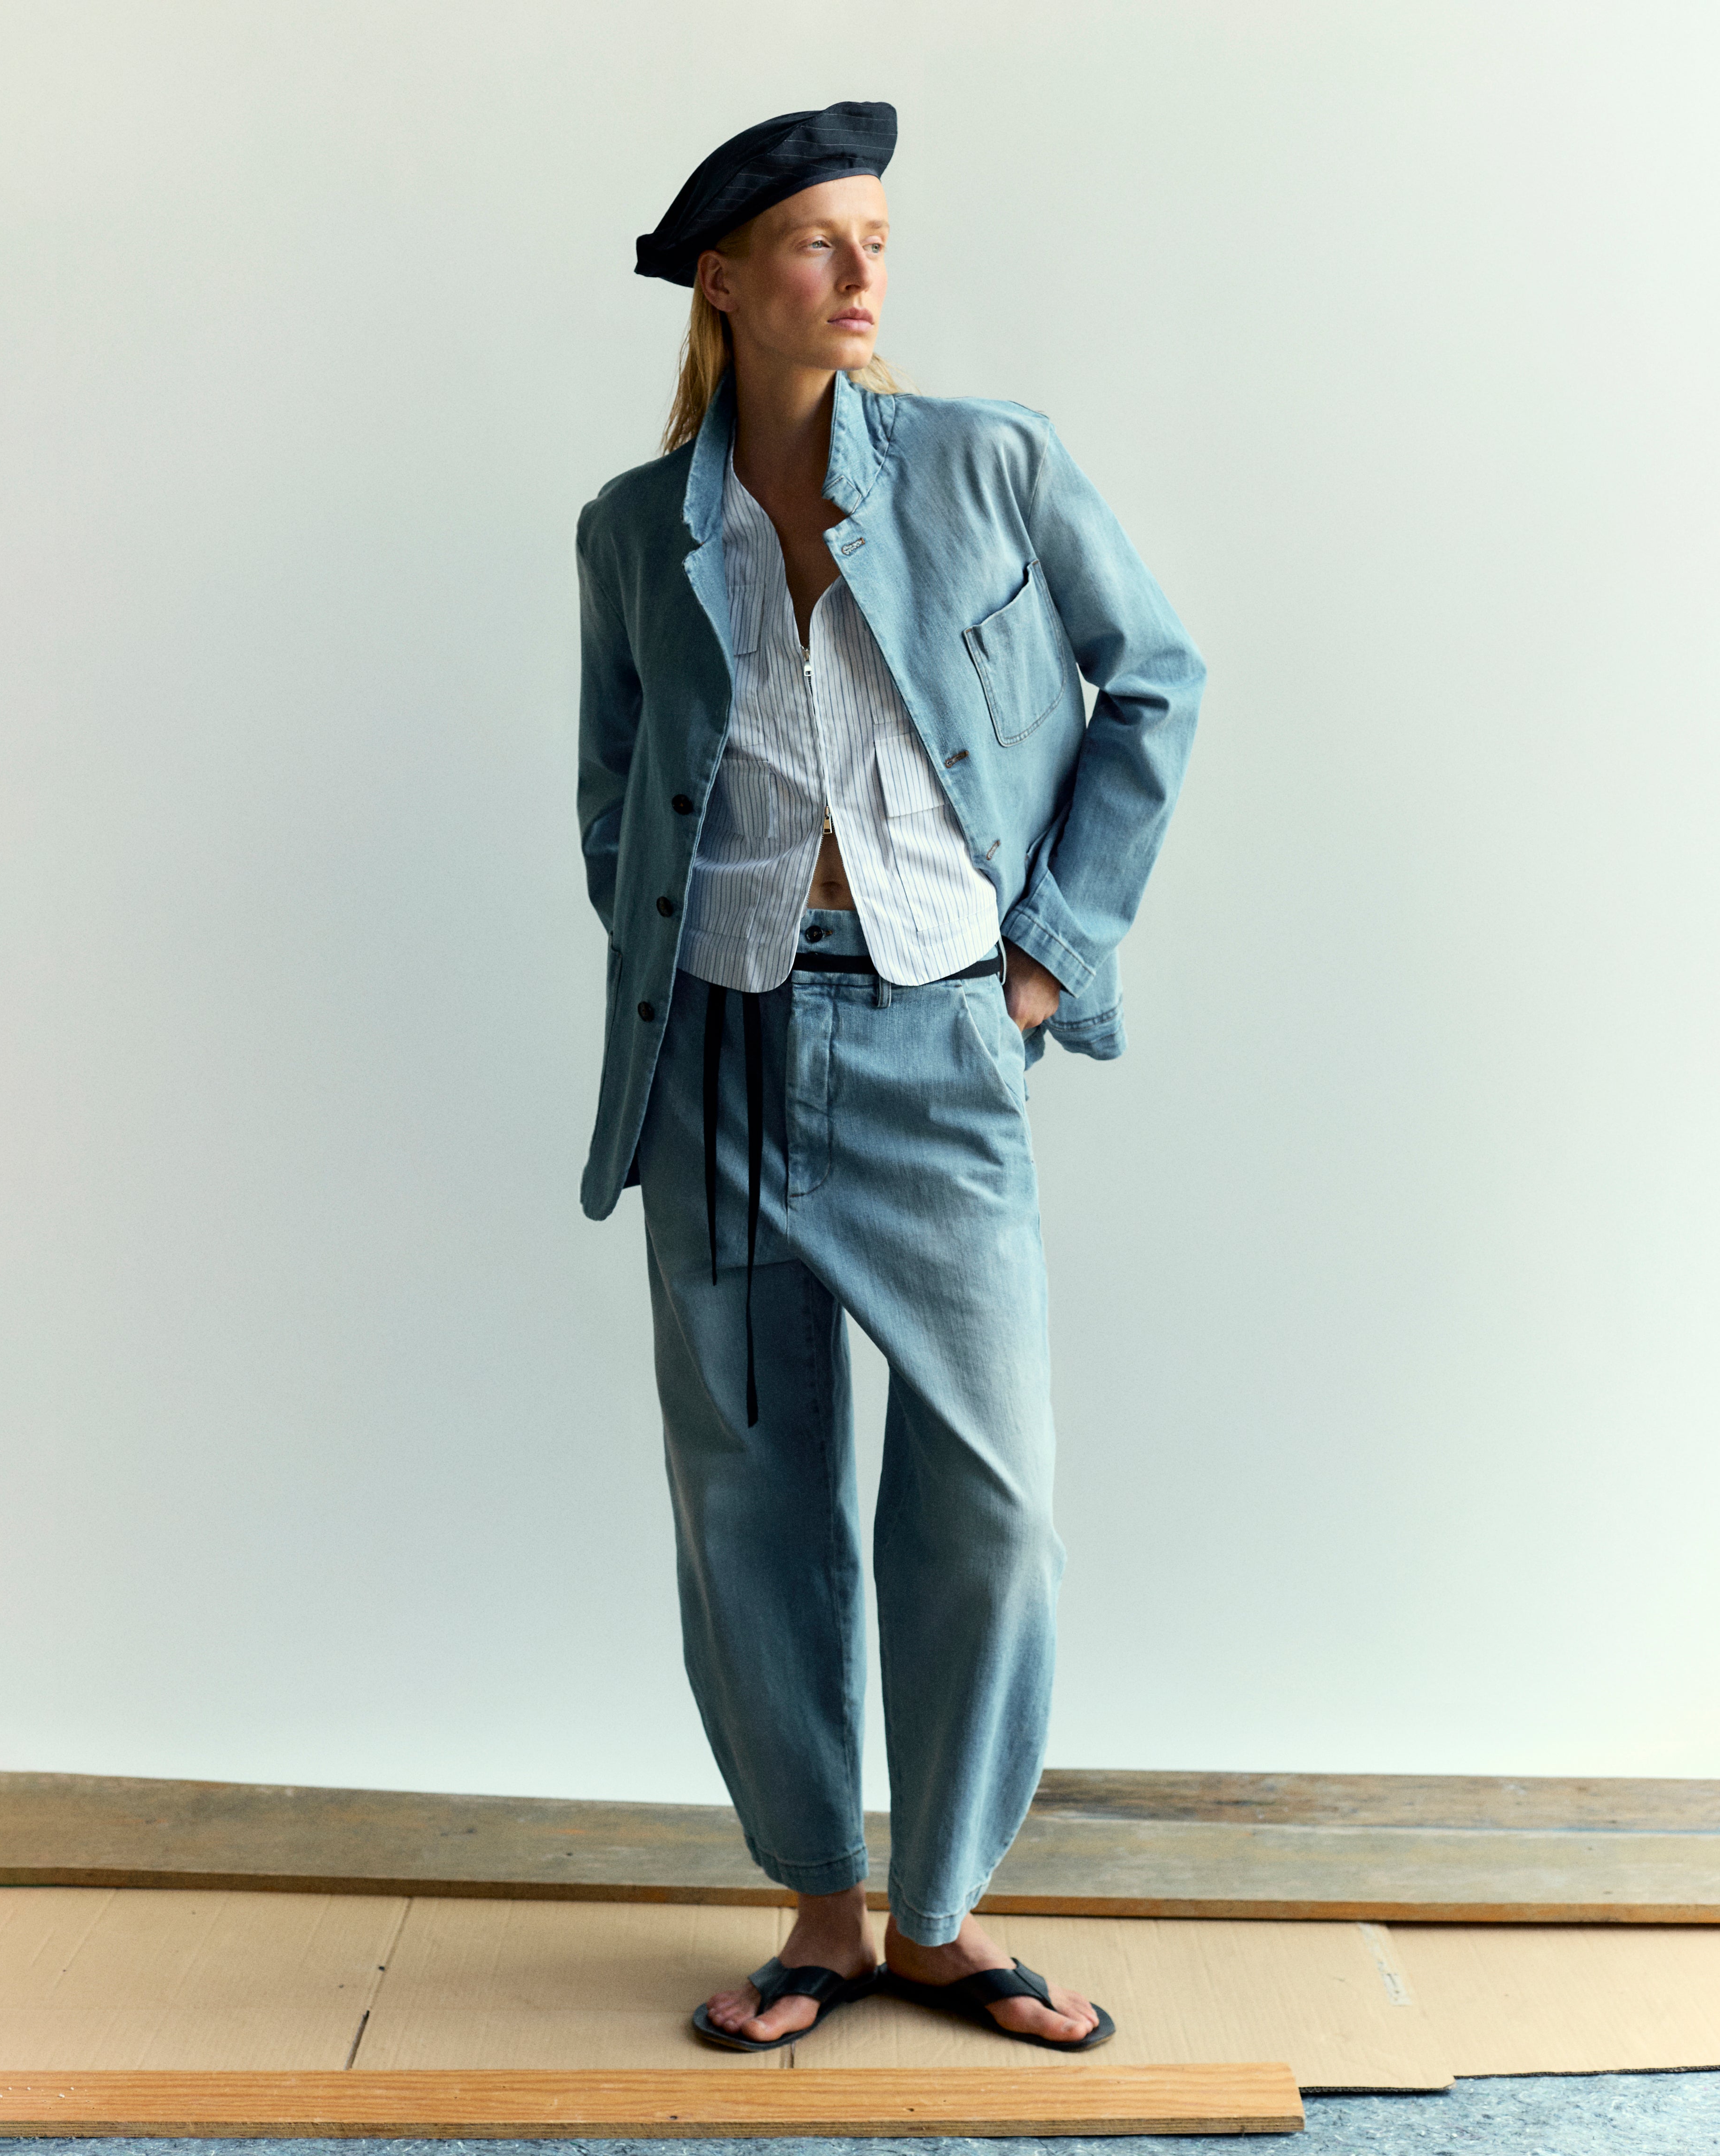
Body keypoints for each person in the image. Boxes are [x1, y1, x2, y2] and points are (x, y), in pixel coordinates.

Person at [577, 100, 1205, 2053]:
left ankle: (942, 1916)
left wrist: (1044, 960)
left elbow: (1156, 678)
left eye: (877, 238)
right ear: (723, 281)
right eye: (818, 242)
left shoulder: (988, 463)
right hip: (717, 1056)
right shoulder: (631, 530)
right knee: (745, 1504)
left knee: (989, 1502)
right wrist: (678, 955)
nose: (864, 274)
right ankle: (822, 1913)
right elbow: (614, 792)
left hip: (938, 1035)